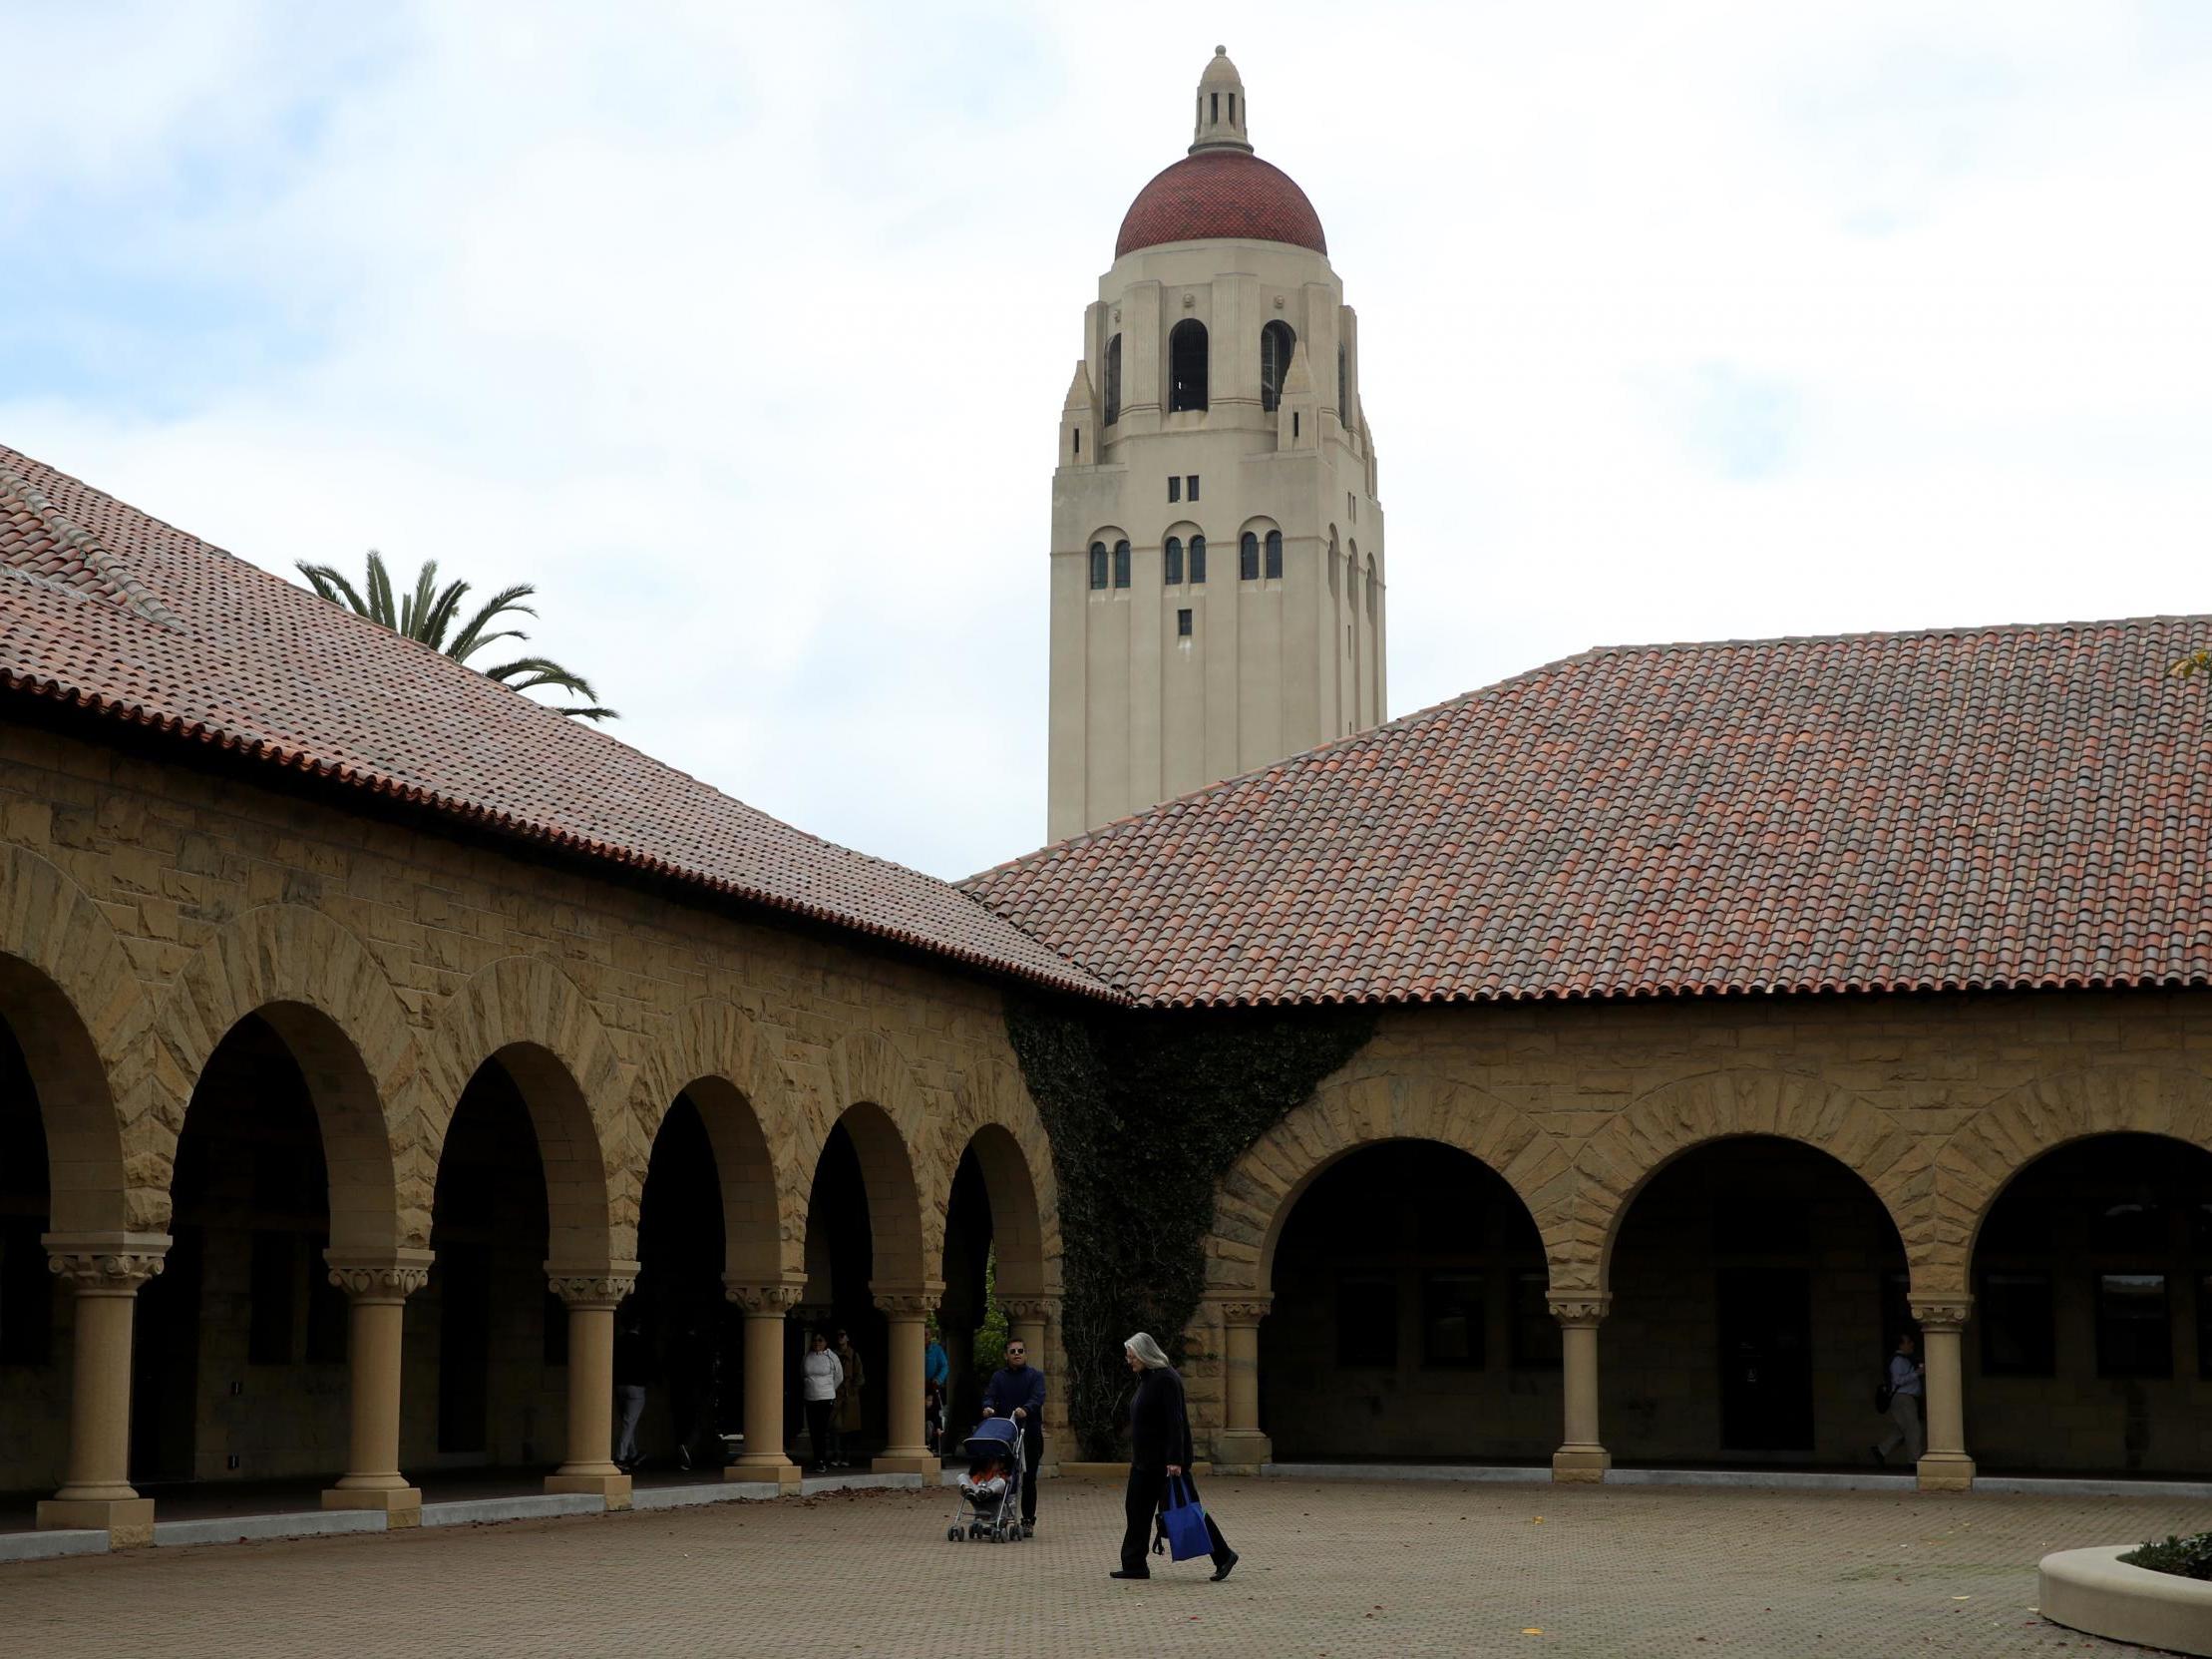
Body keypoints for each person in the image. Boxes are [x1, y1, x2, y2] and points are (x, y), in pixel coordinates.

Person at [1112, 1332, 1237, 1583]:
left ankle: (1223, 1555)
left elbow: (1175, 1421)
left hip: (1164, 1463)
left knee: (1186, 1509)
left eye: (1132, 1356)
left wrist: (1175, 1459)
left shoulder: (1166, 1379)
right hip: (1144, 1462)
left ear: (1145, 1353)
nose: (1129, 1361)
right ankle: (1134, 1563)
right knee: (1136, 1509)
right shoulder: (1146, 1378)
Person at [980, 1336, 1046, 1531]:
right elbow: (989, 1396)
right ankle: (1000, 1514)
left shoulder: (1035, 1376)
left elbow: (1038, 1396)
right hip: (1006, 1433)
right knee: (1003, 1475)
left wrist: (1026, 1408)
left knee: (1028, 1477)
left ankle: (1027, 1519)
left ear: (1025, 1354)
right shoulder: (999, 1377)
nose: (1017, 1354)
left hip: (1030, 1432)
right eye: (1013, 1351)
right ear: (1006, 1355)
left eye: (1020, 1351)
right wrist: (988, 1408)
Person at [1871, 1332, 1925, 1467]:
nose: (1911, 1344)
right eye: (1908, 1342)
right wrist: (1917, 1373)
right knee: (1913, 1429)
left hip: (1907, 1398)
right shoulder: (1898, 1360)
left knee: (1903, 1428)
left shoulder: (1905, 1359)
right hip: (1903, 1397)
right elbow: (1898, 1380)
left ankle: (1881, 1450)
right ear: (1901, 1345)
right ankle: (1914, 1461)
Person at [611, 1304, 650, 1471]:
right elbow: (650, 1364)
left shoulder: (618, 1342)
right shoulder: (642, 1343)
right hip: (636, 1387)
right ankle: (620, 1456)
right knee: (629, 1422)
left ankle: (633, 1453)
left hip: (620, 1385)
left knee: (627, 1421)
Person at [801, 1329, 844, 1473]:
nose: (817, 1343)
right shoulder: (807, 1356)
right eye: (814, 1340)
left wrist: (829, 1389)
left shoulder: (832, 1357)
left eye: (820, 1340)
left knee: (822, 1429)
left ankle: (822, 1460)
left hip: (825, 1398)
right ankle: (816, 1459)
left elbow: (839, 1376)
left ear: (826, 1342)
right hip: (810, 1397)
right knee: (813, 1430)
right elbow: (802, 1373)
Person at [832, 1328, 867, 1467]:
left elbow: (860, 1375)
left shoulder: (854, 1355)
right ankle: (836, 1455)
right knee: (835, 1425)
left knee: (848, 1428)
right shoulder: (832, 1355)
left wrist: (853, 1389)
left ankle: (846, 1455)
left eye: (842, 1335)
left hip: (850, 1395)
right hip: (836, 1393)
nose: (840, 1338)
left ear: (847, 1338)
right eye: (838, 1335)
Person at [924, 1324, 950, 1452]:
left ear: (931, 1336)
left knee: (936, 1416)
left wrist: (938, 1379)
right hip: (917, 1387)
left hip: (932, 1387)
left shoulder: (936, 1350)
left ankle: (936, 1447)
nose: (924, 1337)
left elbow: (945, 1366)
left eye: (926, 1334)